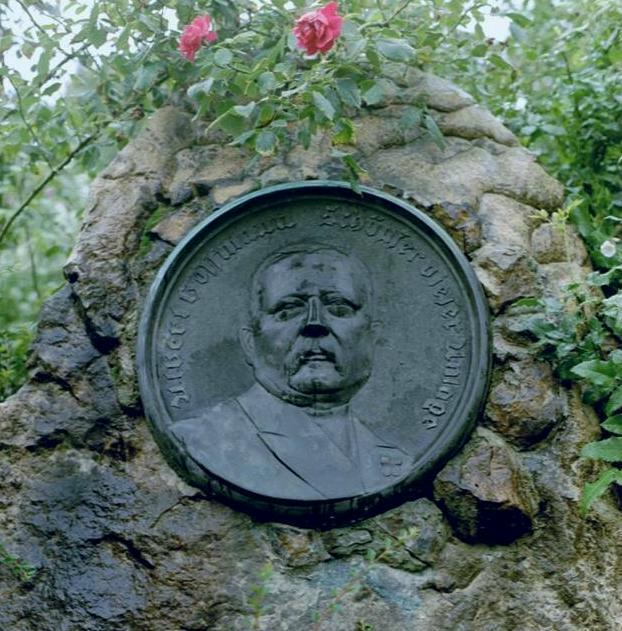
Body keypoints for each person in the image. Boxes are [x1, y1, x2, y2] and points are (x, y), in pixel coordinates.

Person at [172, 243, 410, 500]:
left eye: (339, 308)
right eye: (288, 310)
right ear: (250, 343)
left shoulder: (395, 461)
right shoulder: (203, 441)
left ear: (372, 338)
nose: (315, 323)